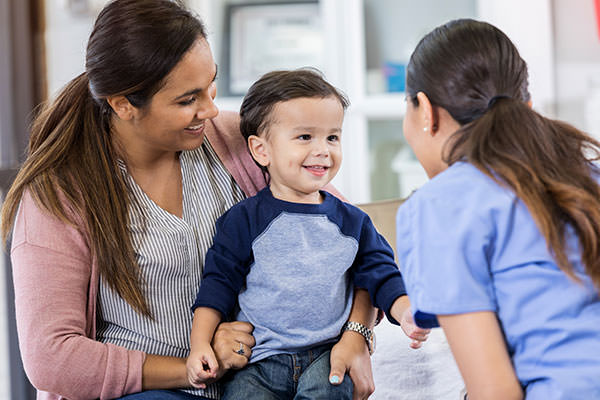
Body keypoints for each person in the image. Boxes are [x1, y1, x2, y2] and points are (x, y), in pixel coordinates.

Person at [0, 1, 380, 399]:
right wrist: (195, 366)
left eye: (210, 84)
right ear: (123, 104)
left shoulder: (237, 140)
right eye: (187, 100)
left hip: (259, 377)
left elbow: (354, 243)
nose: (211, 109)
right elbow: (52, 357)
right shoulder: (58, 194)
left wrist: (358, 334)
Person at [186, 69, 430, 399]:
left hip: (327, 355)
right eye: (305, 137)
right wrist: (200, 343)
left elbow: (382, 274)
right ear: (261, 151)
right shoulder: (243, 220)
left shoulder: (354, 222)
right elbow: (217, 285)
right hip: (259, 361)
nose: (323, 150)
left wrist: (405, 311)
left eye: (332, 137)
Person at [395, 18, 600, 400]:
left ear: (425, 111)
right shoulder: (590, 173)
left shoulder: (442, 204)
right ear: (527, 105)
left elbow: (495, 392)